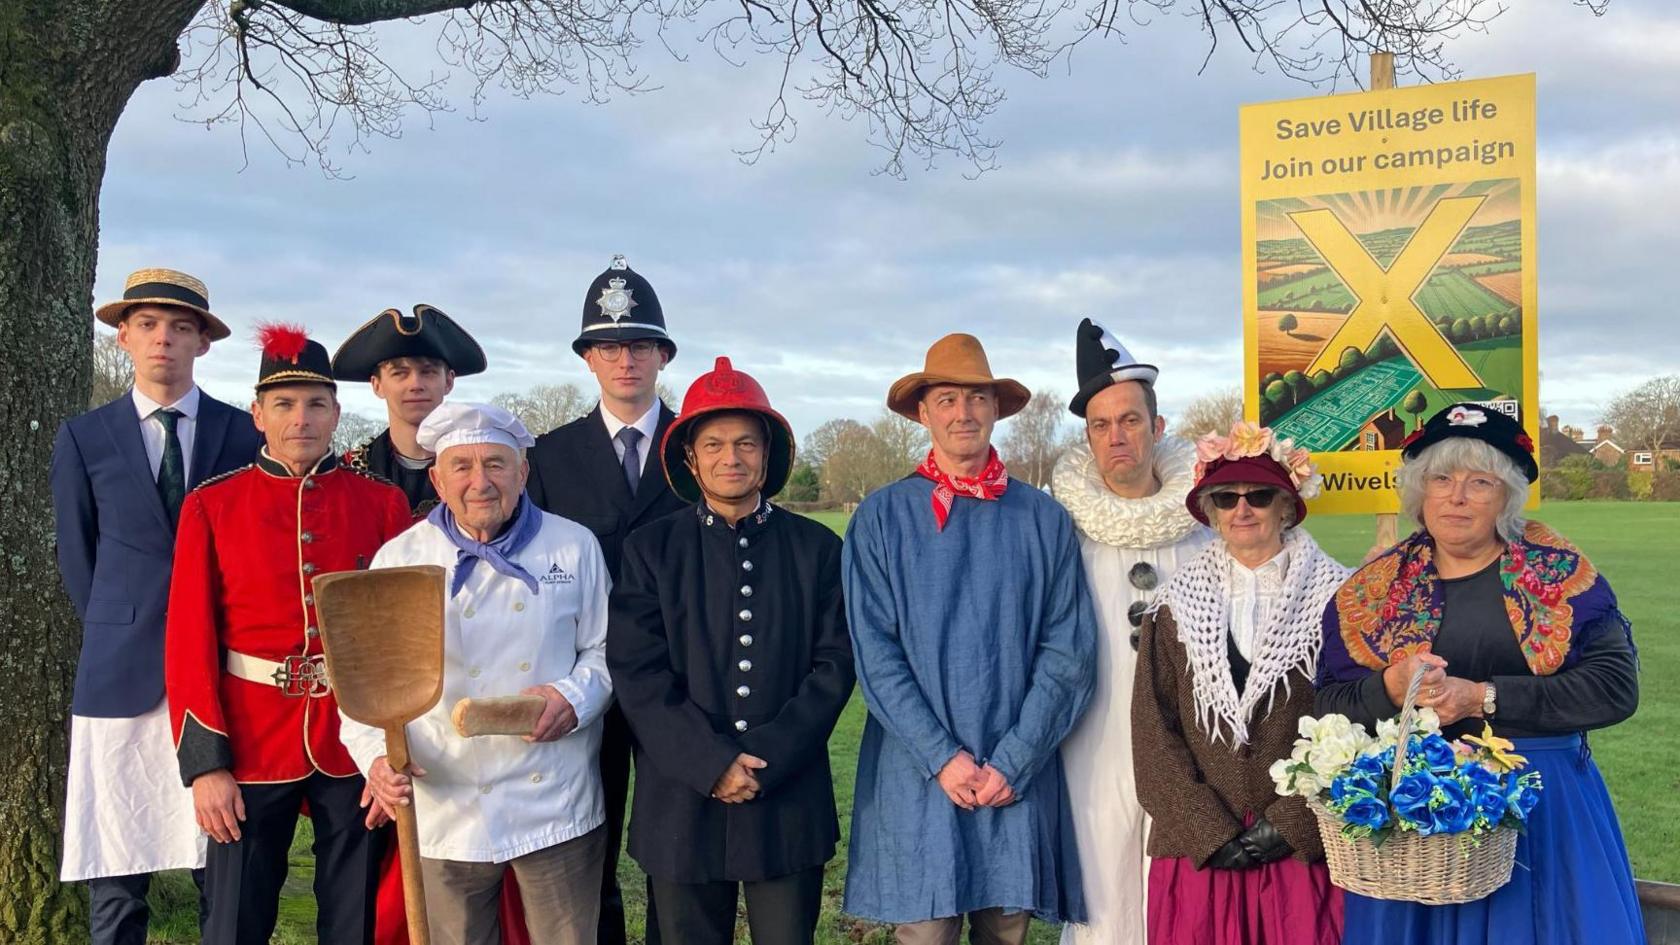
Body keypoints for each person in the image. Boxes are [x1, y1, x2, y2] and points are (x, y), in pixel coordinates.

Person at [1316, 403, 1644, 945]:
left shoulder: (1558, 577)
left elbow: (1614, 690)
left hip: (1542, 806)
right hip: (1416, 827)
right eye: (1440, 478)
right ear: (1419, 492)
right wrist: (1388, 689)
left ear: (1507, 496)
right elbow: (1328, 706)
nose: (1457, 496)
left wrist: (1483, 698)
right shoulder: (1376, 589)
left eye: (1480, 481)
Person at [842, 333, 1096, 944]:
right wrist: (942, 757)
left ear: (996, 409)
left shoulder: (1044, 519)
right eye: (948, 398)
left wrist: (1015, 759)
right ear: (924, 413)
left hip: (1014, 774)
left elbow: (1067, 653)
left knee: (1004, 930)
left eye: (977, 398)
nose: (963, 412)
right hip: (918, 772)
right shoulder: (880, 518)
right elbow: (876, 655)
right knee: (925, 930)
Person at [165, 324, 412, 945]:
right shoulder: (212, 506)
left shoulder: (381, 505)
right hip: (248, 740)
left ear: (336, 413)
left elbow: (400, 641)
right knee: (234, 917)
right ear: (257, 413)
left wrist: (390, 752)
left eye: (315, 403)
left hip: (352, 738)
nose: (300, 417)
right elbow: (189, 639)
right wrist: (205, 766)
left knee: (354, 914)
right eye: (283, 403)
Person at [607, 357, 856, 945]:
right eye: (713, 443)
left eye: (746, 442)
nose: (731, 457)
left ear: (767, 455)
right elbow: (637, 671)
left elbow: (835, 665)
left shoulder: (817, 549)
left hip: (786, 800)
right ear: (690, 458)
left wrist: (766, 757)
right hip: (681, 804)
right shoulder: (651, 550)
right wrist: (710, 762)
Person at [346, 402, 614, 945]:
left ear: (523, 473)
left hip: (554, 794)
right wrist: (375, 757)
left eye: (496, 464)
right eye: (462, 467)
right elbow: (364, 682)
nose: (480, 482)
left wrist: (572, 699)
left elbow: (606, 652)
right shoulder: (399, 558)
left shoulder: (574, 545)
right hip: (446, 799)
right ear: (438, 481)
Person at [51, 268, 262, 945]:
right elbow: (80, 560)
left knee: (220, 873)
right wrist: (129, 628)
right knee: (116, 878)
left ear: (203, 341)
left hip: (220, 684)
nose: (163, 339)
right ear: (123, 336)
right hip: (121, 682)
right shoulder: (84, 438)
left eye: (180, 327)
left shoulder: (239, 434)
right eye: (147, 325)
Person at [1131, 421, 1347, 945]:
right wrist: (1208, 830)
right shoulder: (1172, 607)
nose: (1242, 509)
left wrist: (1291, 825)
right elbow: (1153, 733)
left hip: (1300, 852)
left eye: (1259, 496)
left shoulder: (1340, 601)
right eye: (1226, 498)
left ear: (1286, 507)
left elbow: (1357, 725)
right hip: (1201, 853)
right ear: (1211, 511)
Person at [525, 254, 688, 945]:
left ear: (662, 356)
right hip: (579, 679)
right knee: (582, 840)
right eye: (611, 346)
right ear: (589, 357)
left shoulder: (697, 447)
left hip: (679, 679)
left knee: (671, 843)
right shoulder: (549, 455)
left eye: (640, 345)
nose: (626, 360)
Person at [1049, 319, 1213, 945]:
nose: (1117, 436)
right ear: (1087, 437)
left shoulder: (1207, 524)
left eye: (1131, 420)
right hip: (1094, 733)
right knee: (1103, 888)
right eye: (1101, 424)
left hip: (1190, 738)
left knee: (1182, 881)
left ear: (1157, 426)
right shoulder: (1061, 528)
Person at [333, 303, 488, 517]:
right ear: (377, 385)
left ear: (449, 381)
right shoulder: (346, 475)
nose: (415, 384)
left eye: (428, 372)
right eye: (399, 373)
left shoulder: (484, 473)